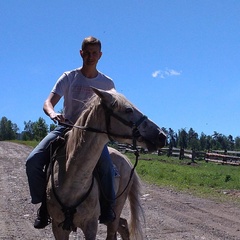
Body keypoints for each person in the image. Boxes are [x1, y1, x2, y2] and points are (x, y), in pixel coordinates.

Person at [26, 36, 116, 229]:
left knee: (108, 168)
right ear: (81, 53)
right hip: (66, 128)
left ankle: (108, 209)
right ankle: (44, 206)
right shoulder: (69, 77)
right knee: (33, 161)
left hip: (93, 136)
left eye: (94, 53)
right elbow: (48, 102)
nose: (90, 57)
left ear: (100, 55)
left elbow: (113, 109)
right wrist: (53, 113)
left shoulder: (107, 83)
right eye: (87, 53)